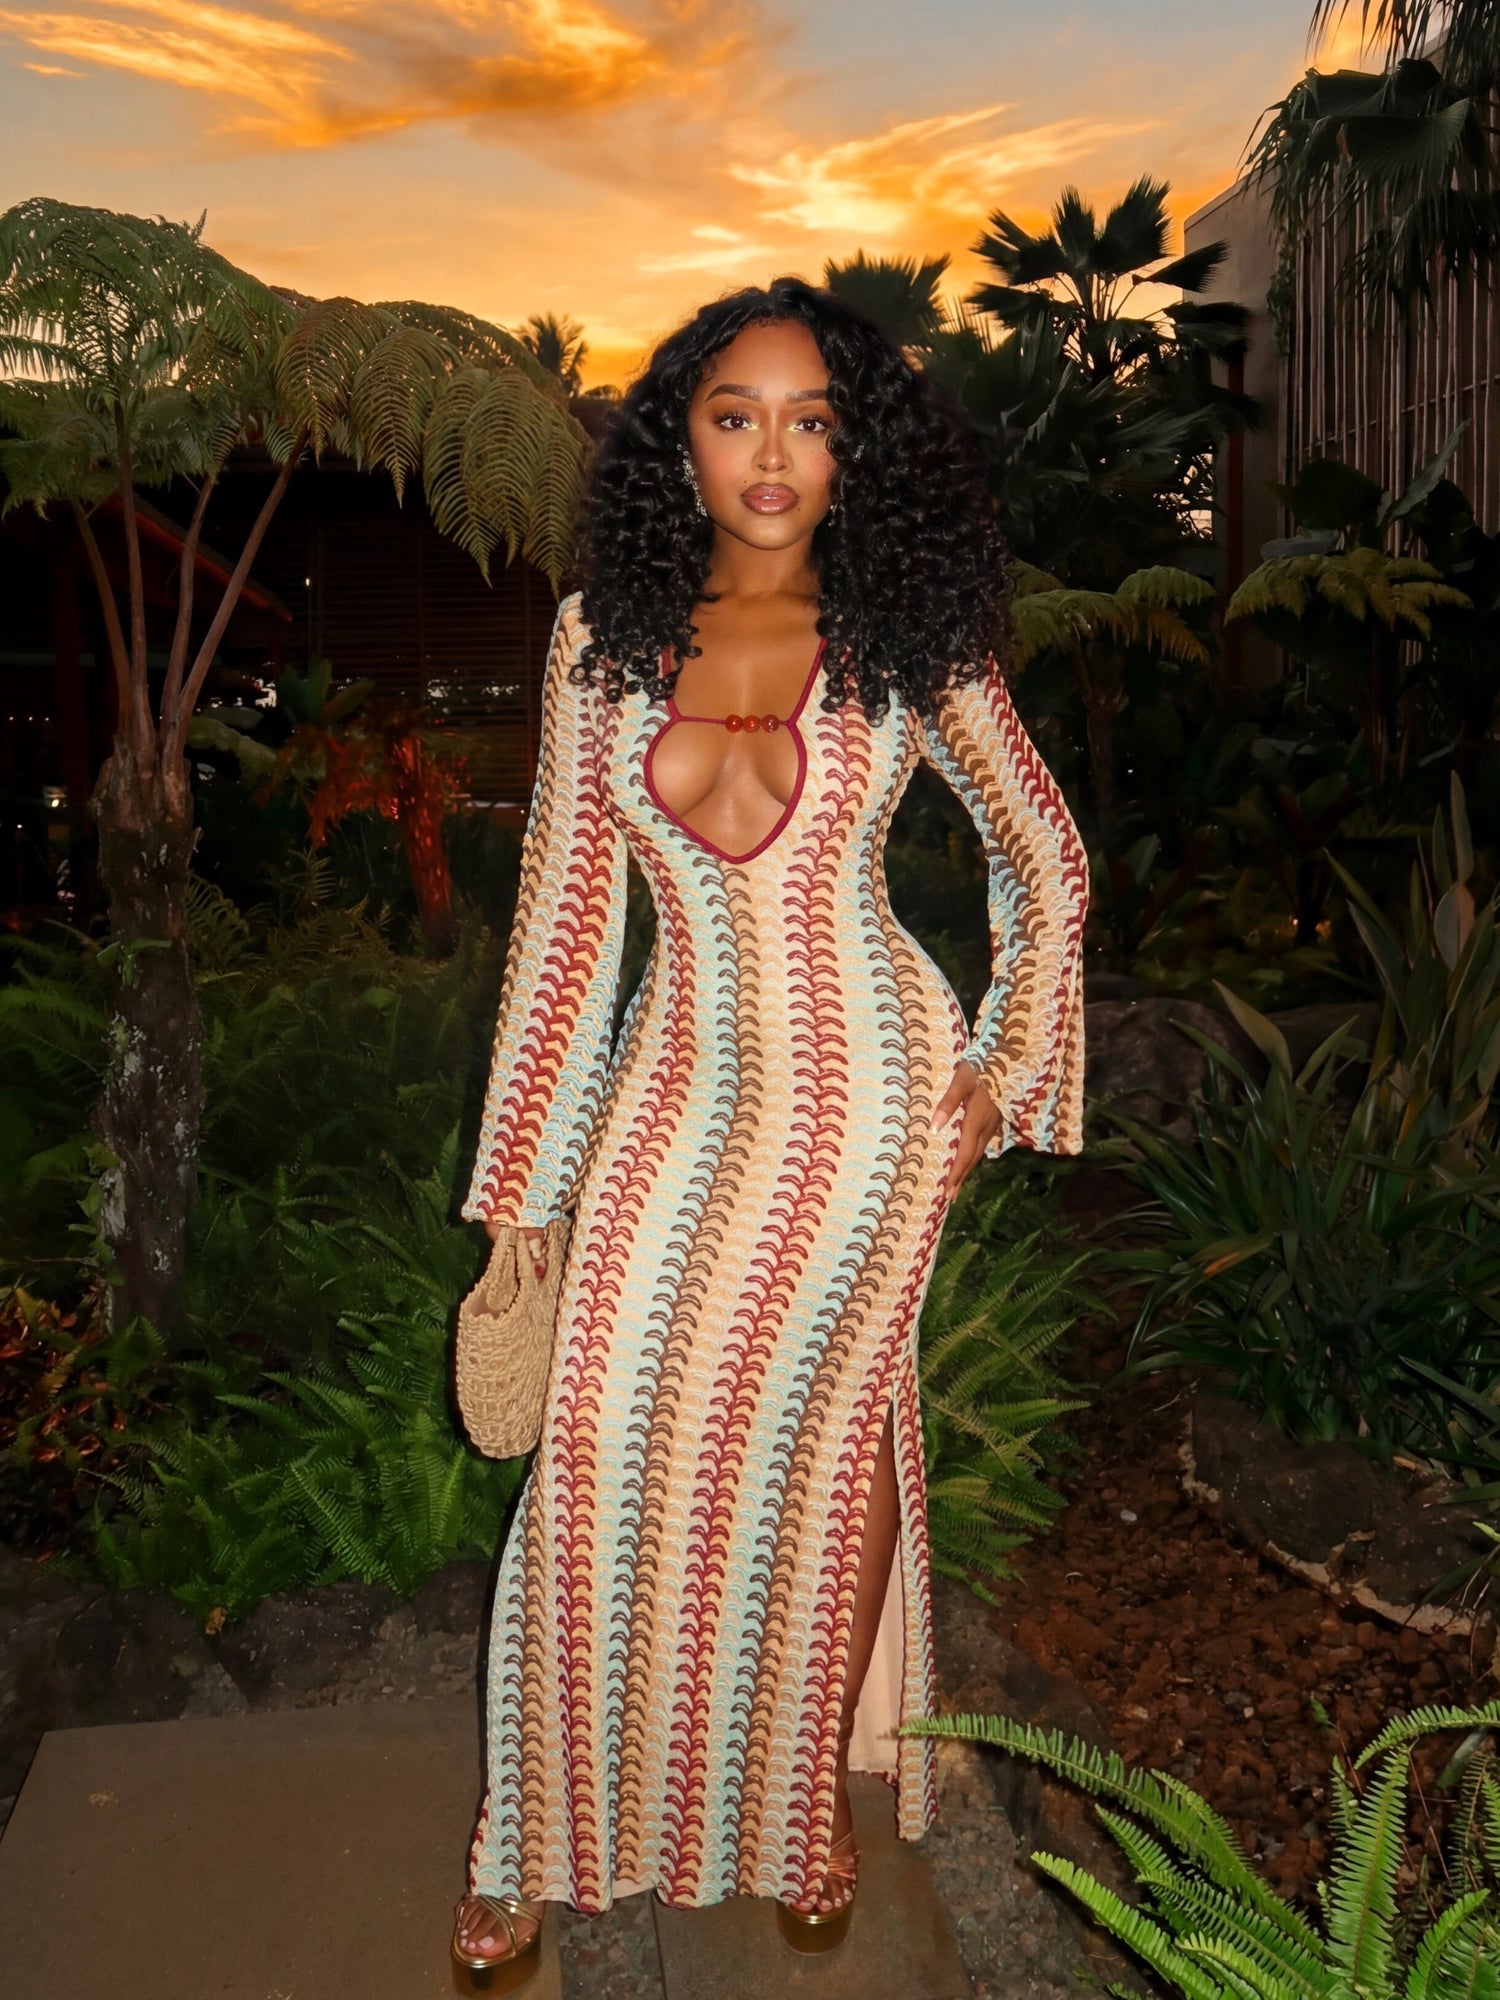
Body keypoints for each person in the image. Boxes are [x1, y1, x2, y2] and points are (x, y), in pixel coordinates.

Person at [451, 275, 1087, 1984]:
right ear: (683, 438)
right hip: (677, 1083)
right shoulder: (600, 643)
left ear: (856, 452)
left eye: (814, 421)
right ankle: (536, 1828)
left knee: (824, 1439)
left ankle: (801, 1799)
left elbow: (1047, 856)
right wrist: (526, 1188)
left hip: (873, 1092)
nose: (776, 453)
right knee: (590, 1436)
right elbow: (571, 925)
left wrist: (998, 1077)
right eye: (738, 415)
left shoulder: (902, 641)